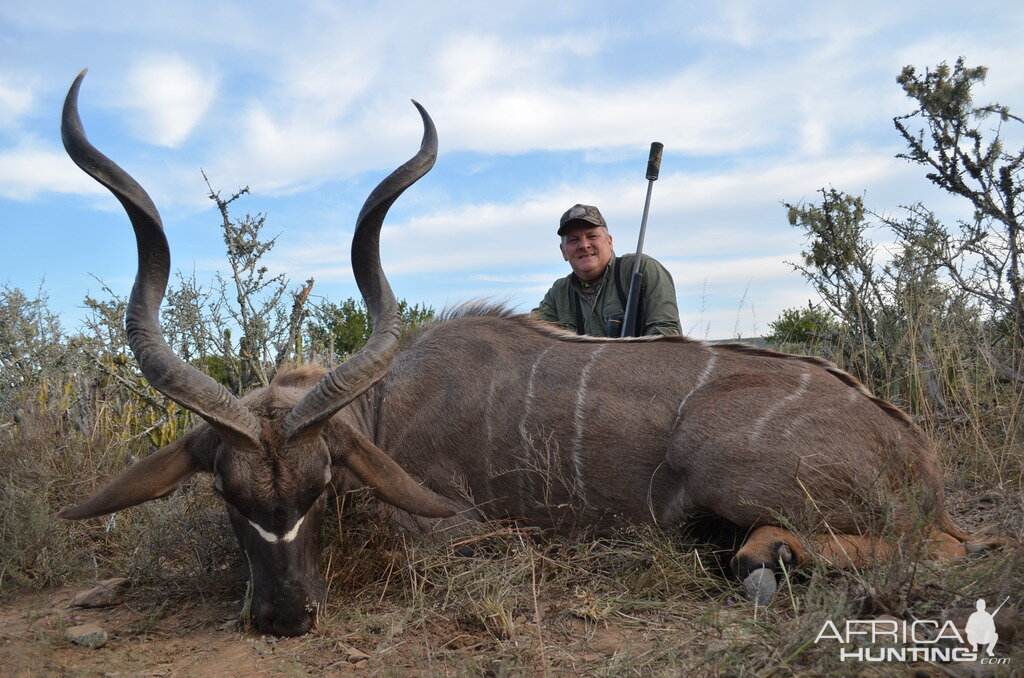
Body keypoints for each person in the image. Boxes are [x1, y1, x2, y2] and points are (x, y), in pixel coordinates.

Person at [533, 204, 681, 337]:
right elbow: (531, 336)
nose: (584, 245)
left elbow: (666, 333)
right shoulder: (558, 293)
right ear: (563, 251)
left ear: (609, 242)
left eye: (592, 236)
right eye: (573, 240)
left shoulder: (642, 269)